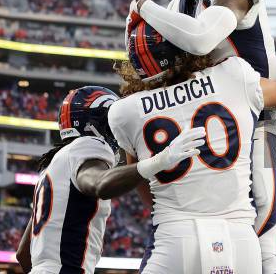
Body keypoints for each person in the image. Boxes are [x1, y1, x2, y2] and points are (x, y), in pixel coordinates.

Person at [129, 0, 276, 274]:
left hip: (250, 117)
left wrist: (143, 7)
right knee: (173, 219)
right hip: (197, 119)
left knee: (263, 220)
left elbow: (201, 38)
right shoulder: (178, 6)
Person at [109, 19, 276, 273]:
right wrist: (268, 75)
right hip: (239, 239)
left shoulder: (124, 112)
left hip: (175, 238)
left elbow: (146, 192)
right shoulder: (233, 75)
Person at [15, 86, 205, 274]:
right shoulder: (88, 144)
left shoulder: (54, 166)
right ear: (99, 123)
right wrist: (159, 161)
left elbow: (23, 254)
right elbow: (99, 183)